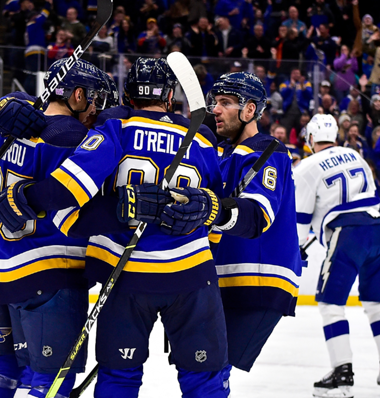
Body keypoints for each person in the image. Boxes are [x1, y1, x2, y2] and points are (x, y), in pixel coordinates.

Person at [0, 57, 229, 397]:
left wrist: (25, 196)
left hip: (125, 277)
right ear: (169, 98)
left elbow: (69, 190)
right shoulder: (203, 139)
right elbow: (215, 214)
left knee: (119, 377)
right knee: (205, 379)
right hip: (192, 275)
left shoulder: (114, 126)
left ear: (128, 96)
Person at [0, 59, 112, 398]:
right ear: (78, 95)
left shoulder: (11, 121)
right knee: (51, 382)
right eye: (95, 99)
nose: (97, 110)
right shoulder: (78, 138)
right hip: (50, 273)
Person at [158, 72, 301, 395]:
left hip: (258, 279)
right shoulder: (221, 153)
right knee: (198, 363)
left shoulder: (267, 151)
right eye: (214, 103)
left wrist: (208, 208)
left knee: (209, 366)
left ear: (250, 110)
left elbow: (256, 215)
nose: (216, 110)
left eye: (225, 103)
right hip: (223, 278)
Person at [294, 114, 380, 398]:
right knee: (378, 304)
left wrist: (293, 250)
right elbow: (361, 198)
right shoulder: (355, 155)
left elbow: (300, 221)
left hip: (348, 233)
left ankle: (342, 374)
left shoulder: (306, 166)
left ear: (311, 138)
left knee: (331, 305)